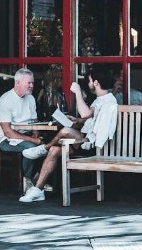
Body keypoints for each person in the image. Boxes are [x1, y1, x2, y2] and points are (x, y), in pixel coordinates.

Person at [26, 68, 120, 203]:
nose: (88, 85)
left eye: (89, 81)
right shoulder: (100, 99)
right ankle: (38, 190)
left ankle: (43, 148)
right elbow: (89, 117)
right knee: (55, 150)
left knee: (65, 131)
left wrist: (77, 92)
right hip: (82, 141)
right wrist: (78, 121)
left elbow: (86, 114)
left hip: (93, 145)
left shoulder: (108, 101)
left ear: (96, 83)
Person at [0, 68, 49, 202]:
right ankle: (28, 182)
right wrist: (34, 141)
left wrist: (37, 136)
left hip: (26, 135)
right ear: (17, 83)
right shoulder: (5, 101)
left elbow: (34, 122)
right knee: (31, 147)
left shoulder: (31, 98)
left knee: (50, 145)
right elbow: (8, 132)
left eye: (32, 83)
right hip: (6, 141)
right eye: (28, 83)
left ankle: (38, 179)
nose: (31, 86)